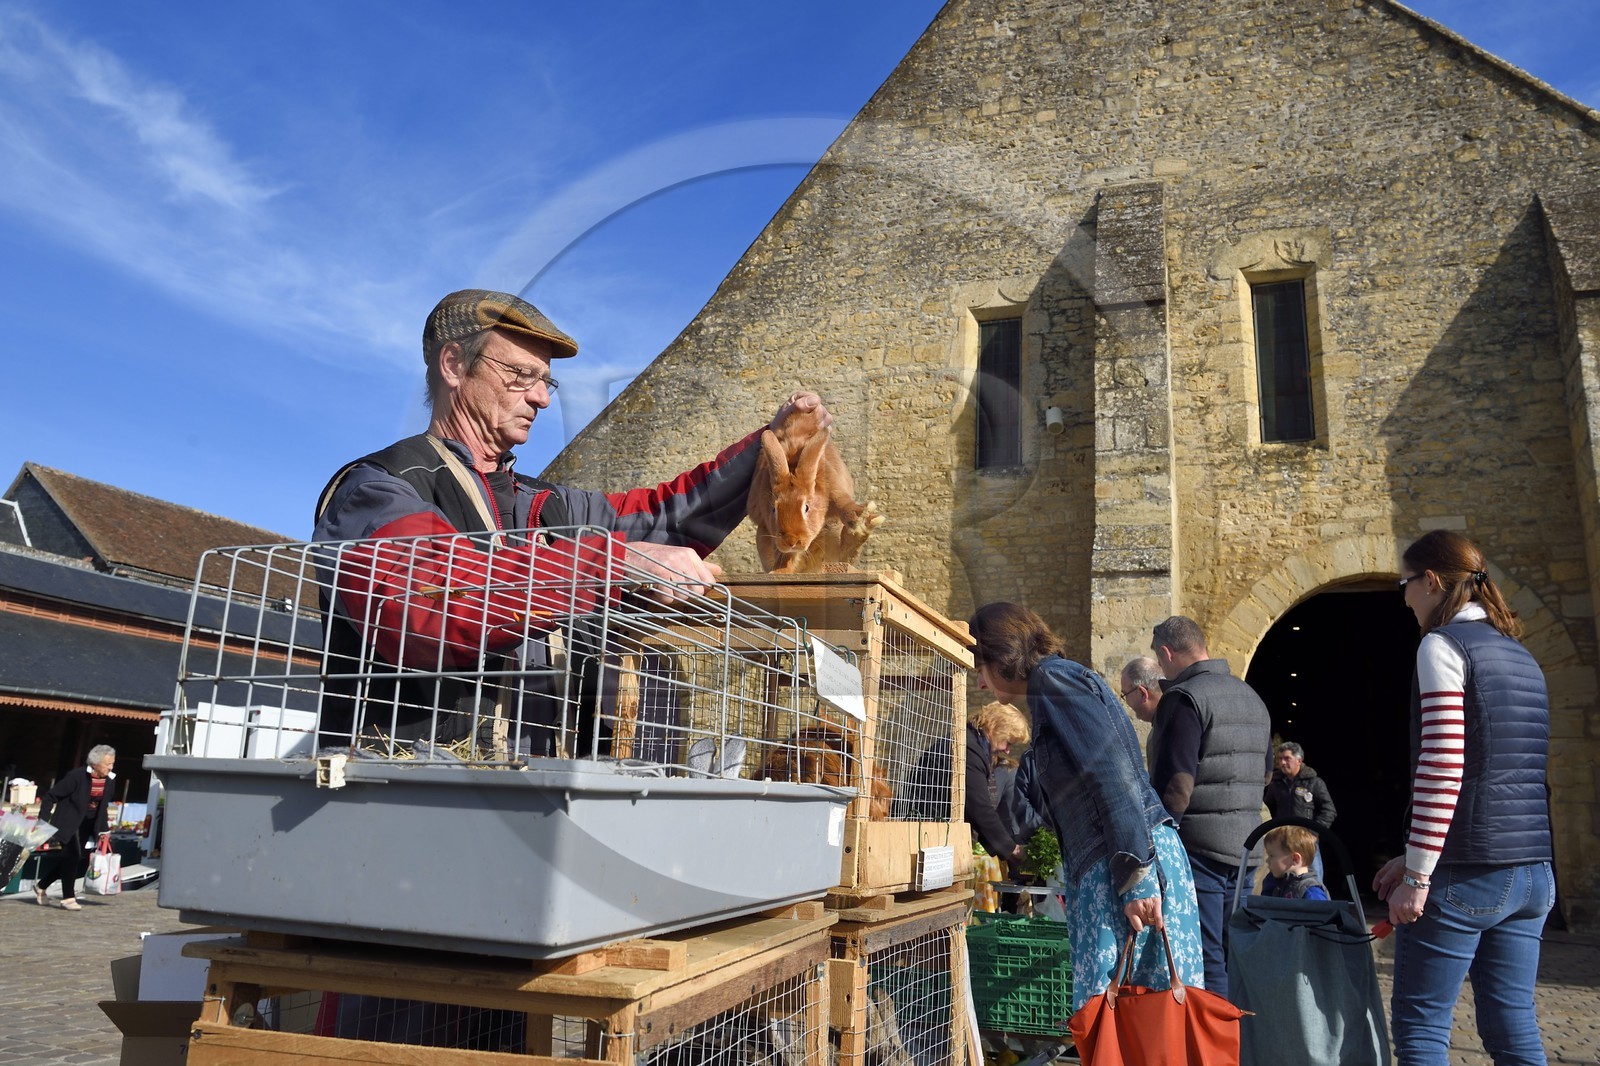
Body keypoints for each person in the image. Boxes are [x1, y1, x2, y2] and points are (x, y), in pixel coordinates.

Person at [312, 288, 832, 750]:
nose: (539, 397)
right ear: (453, 365)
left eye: (545, 382)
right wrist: (613, 562)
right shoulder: (382, 489)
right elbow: (429, 606)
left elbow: (667, 517)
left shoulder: (544, 504)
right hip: (406, 796)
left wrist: (772, 446)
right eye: (519, 375)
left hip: (533, 799)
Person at [1376, 531, 1554, 1065]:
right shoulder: (1521, 654)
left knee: (1422, 1025)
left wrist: (1419, 875)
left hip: (1466, 872)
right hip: (1532, 871)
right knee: (1514, 1027)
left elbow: (1445, 766)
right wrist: (1411, 853)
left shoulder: (1442, 645)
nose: (1404, 596)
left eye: (1405, 584)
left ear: (1431, 581)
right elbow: (1500, 769)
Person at [970, 602, 1203, 1010]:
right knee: (1131, 1019)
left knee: (1141, 1018)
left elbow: (1113, 775)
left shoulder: (1055, 681)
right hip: (1118, 862)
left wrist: (1138, 879)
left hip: (1129, 862)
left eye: (981, 667)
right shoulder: (1051, 685)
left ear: (1001, 655)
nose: (983, 684)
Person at [1147, 615, 1272, 1000]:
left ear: (1167, 653)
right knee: (1236, 953)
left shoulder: (1184, 699)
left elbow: (1176, 786)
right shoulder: (1252, 697)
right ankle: (1239, 1042)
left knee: (1206, 959)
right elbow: (1265, 775)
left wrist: (1155, 839)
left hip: (1199, 850)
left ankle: (1215, 1049)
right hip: (1248, 851)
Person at [33, 745, 115, 911]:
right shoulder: (76, 776)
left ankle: (41, 885)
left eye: (112, 763)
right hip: (68, 822)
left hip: (88, 825)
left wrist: (104, 830)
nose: (111, 767)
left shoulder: (110, 780)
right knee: (73, 855)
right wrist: (43, 821)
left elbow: (103, 807)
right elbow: (50, 797)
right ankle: (68, 898)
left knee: (75, 858)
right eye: (107, 764)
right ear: (95, 763)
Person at [967, 701, 1031, 866]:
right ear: (996, 727)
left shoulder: (973, 744)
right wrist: (1012, 849)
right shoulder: (970, 750)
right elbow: (979, 808)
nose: (1008, 751)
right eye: (1008, 742)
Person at [1264, 740, 1337, 878]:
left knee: (1313, 879)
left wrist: (1313, 833)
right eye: (1280, 759)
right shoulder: (1276, 783)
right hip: (1283, 841)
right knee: (1281, 879)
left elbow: (1329, 810)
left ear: (1299, 760)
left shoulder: (1314, 782)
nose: (1283, 762)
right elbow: (1267, 808)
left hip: (1306, 841)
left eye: (1287, 758)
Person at [1259, 824, 1329, 901]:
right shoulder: (1275, 883)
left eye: (1271, 855)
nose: (1267, 860)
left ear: (1295, 859)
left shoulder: (1312, 892)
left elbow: (1319, 912)